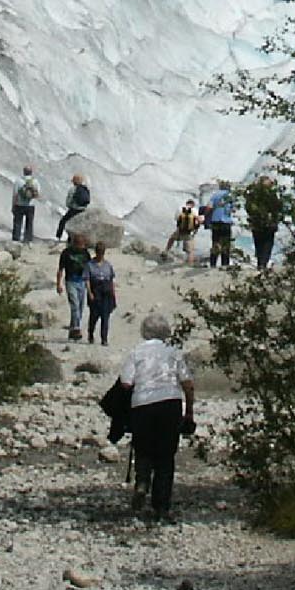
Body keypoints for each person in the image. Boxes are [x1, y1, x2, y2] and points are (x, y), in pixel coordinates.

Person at [118, 313, 195, 520]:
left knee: (143, 448)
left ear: (144, 331)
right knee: (165, 455)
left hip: (142, 404)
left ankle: (142, 482)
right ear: (166, 332)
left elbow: (125, 383)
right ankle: (161, 506)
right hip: (170, 404)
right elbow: (187, 384)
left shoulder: (136, 352)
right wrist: (189, 413)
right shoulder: (174, 352)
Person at [57, 235, 93, 342]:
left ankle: (72, 331)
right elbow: (60, 269)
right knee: (75, 306)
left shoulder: (85, 254)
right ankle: (77, 328)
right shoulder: (66, 253)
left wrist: (90, 288)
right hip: (70, 281)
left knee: (80, 308)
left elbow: (88, 271)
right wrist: (58, 284)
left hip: (82, 282)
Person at [244, 176, 284, 270]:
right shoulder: (271, 194)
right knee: (267, 243)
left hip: (256, 222)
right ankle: (263, 263)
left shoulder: (253, 194)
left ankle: (260, 263)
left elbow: (248, 207)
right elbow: (277, 206)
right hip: (268, 223)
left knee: (259, 242)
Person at [86, 242, 118, 345]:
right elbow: (87, 279)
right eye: (99, 252)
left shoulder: (108, 265)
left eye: (102, 252)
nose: (100, 254)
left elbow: (111, 280)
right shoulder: (90, 265)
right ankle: (90, 333)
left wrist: (113, 295)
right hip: (95, 291)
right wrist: (90, 292)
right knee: (94, 316)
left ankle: (104, 339)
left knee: (105, 317)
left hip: (106, 293)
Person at [204, 181, 236, 269]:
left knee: (215, 242)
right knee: (225, 244)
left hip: (215, 221)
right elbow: (233, 209)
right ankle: (225, 264)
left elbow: (209, 207)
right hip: (226, 222)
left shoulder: (215, 195)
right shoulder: (230, 196)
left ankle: (213, 263)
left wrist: (206, 215)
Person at [56, 172, 93, 240]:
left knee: (63, 222)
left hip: (74, 210)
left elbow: (68, 202)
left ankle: (58, 237)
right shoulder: (85, 188)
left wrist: (70, 206)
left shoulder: (73, 189)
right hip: (83, 210)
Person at [163, 198, 200, 264]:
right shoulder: (195, 210)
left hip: (180, 230)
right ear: (193, 205)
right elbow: (197, 222)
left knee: (172, 239)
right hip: (189, 232)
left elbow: (176, 219)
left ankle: (166, 250)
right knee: (190, 251)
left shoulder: (180, 208)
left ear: (186, 203)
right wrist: (195, 231)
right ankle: (189, 264)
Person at [11, 164, 41, 242]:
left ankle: (16, 239)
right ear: (31, 172)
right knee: (29, 223)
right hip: (30, 205)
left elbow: (15, 194)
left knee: (17, 223)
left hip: (19, 205)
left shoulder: (18, 181)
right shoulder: (35, 181)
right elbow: (38, 194)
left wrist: (13, 206)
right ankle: (28, 240)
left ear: (24, 172)